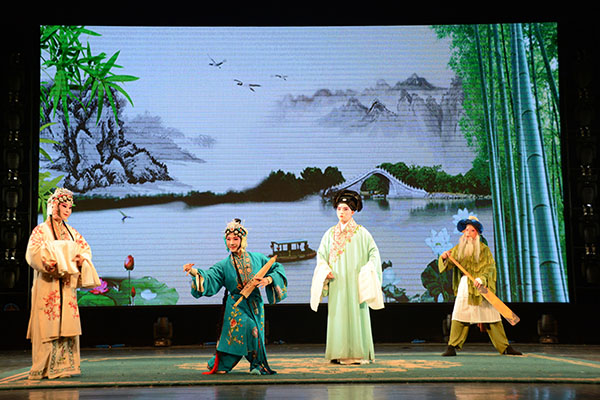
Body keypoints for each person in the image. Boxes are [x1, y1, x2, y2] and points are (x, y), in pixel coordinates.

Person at [183, 219, 287, 374]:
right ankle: (221, 364)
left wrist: (268, 279)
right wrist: (193, 272)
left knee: (253, 334)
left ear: (242, 240)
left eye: (235, 239)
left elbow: (276, 268)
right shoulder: (224, 265)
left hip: (255, 303)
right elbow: (209, 277)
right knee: (240, 333)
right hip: (236, 304)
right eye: (228, 239)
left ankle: (257, 365)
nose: (231, 243)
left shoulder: (257, 258)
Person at [25, 187, 100, 379]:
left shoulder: (72, 233)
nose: (68, 210)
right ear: (54, 206)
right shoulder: (41, 231)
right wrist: (51, 263)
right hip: (48, 284)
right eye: (64, 206)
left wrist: (82, 259)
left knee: (66, 324)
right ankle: (44, 367)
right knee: (47, 323)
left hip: (66, 286)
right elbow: (32, 252)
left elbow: (85, 250)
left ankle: (66, 366)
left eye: (70, 207)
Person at [310, 189, 384, 365]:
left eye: (345, 209)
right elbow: (321, 255)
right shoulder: (330, 234)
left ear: (353, 211)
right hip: (337, 281)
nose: (341, 212)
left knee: (357, 313)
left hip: (356, 282)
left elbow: (374, 254)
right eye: (339, 209)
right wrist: (324, 269)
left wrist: (368, 269)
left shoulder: (362, 233)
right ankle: (338, 352)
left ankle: (359, 353)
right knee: (338, 315)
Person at [439, 216, 522, 356]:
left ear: (477, 233)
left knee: (492, 317)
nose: (468, 233)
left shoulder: (484, 250)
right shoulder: (458, 249)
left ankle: (505, 347)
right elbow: (448, 264)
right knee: (459, 316)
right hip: (466, 287)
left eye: (472, 230)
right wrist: (444, 257)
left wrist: (482, 278)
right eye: (466, 230)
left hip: (481, 287)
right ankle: (452, 346)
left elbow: (490, 268)